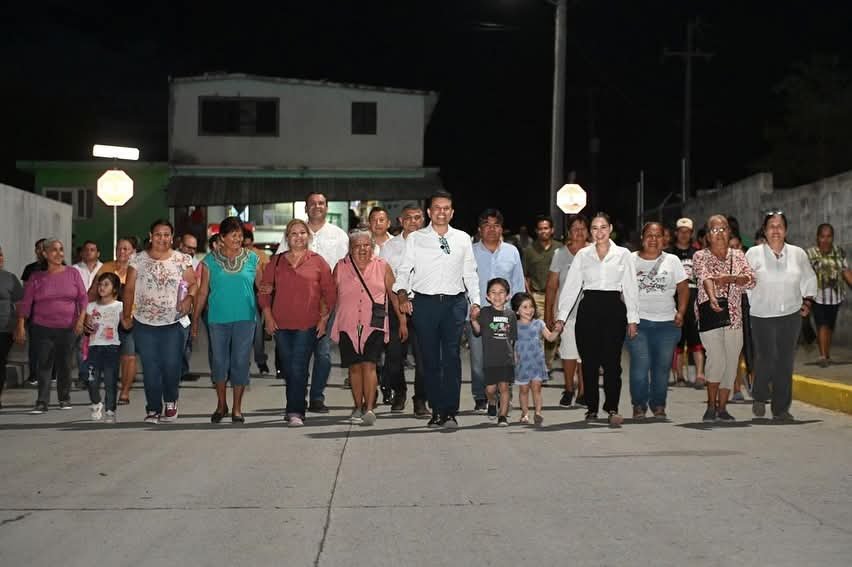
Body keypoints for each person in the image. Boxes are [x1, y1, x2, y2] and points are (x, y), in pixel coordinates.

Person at [394, 190, 480, 428]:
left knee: (451, 357)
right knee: (429, 359)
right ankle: (437, 410)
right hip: (425, 304)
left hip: (454, 304)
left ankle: (450, 411)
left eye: (446, 208)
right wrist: (402, 294)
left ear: (452, 213)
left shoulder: (462, 238)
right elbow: (404, 271)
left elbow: (470, 273)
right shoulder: (416, 238)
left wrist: (475, 302)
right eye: (437, 208)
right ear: (429, 212)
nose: (441, 212)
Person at [554, 212, 639, 427]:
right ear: (590, 231)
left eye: (603, 227)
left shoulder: (623, 254)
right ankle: (591, 408)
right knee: (589, 362)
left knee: (612, 363)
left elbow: (630, 287)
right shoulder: (583, 255)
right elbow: (572, 286)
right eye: (594, 228)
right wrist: (561, 317)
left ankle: (612, 407)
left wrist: (632, 319)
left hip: (613, 309)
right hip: (589, 309)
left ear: (610, 229)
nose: (599, 232)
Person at [261, 219, 337, 427]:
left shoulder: (318, 262)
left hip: (307, 323)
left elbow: (330, 293)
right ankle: (297, 402)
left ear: (308, 236)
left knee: (298, 366)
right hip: (281, 325)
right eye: (293, 233)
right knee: (289, 368)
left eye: (302, 233)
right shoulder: (276, 261)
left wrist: (324, 319)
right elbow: (264, 291)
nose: (298, 237)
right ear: (287, 238)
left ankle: (295, 411)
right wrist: (268, 317)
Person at [276, 192, 348, 413]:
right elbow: (279, 264)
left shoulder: (339, 235)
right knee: (297, 354)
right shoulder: (295, 231)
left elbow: (346, 268)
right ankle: (298, 396)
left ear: (327, 207)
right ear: (306, 208)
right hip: (298, 303)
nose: (317, 206)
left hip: (327, 302)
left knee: (323, 353)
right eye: (313, 203)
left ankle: (317, 396)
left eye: (321, 203)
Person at [122, 219, 197, 424]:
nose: (162, 238)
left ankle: (171, 400)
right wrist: (126, 315)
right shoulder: (137, 259)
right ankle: (153, 408)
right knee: (150, 367)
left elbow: (193, 284)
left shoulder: (181, 259)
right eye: (158, 234)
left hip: (173, 322)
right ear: (150, 236)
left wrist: (189, 298)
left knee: (172, 364)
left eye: (166, 235)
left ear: (172, 238)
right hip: (144, 322)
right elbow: (129, 289)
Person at [746, 212, 817, 421]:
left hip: (790, 315)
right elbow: (745, 281)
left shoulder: (798, 254)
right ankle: (760, 395)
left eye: (780, 226)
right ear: (764, 231)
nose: (775, 230)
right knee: (767, 358)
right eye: (771, 226)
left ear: (786, 230)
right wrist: (752, 302)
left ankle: (781, 409)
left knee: (785, 361)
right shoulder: (753, 253)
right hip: (762, 315)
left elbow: (809, 278)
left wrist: (807, 302)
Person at [332, 229, 406, 425]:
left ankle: (370, 408)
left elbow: (394, 296)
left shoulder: (382, 266)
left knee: (370, 364)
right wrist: (322, 319)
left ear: (372, 247)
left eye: (366, 245)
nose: (362, 249)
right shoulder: (340, 267)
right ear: (350, 248)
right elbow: (330, 296)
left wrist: (402, 321)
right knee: (355, 367)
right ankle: (358, 406)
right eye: (357, 246)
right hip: (348, 324)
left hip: (374, 324)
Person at [194, 217, 262, 424]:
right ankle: (221, 404)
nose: (238, 239)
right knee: (219, 361)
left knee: (240, 361)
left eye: (240, 235)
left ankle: (237, 408)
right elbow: (203, 291)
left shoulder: (252, 259)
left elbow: (263, 288)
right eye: (233, 235)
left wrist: (270, 311)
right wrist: (195, 319)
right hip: (218, 319)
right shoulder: (209, 261)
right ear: (222, 238)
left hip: (245, 318)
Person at [693, 214, 755, 422]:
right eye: (714, 230)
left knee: (731, 362)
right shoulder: (700, 256)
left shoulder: (738, 255)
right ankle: (710, 405)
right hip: (710, 314)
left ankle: (722, 408)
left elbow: (752, 279)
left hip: (735, 317)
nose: (719, 233)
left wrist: (731, 278)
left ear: (729, 232)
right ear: (707, 236)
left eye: (723, 229)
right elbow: (705, 277)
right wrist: (712, 297)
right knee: (717, 359)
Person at [14, 238, 88, 414]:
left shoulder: (73, 273)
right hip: (42, 327)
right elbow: (26, 303)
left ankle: (64, 398)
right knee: (44, 365)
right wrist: (21, 325)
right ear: (45, 254)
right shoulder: (36, 277)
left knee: (64, 364)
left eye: (61, 249)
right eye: (54, 250)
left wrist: (81, 319)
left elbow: (83, 298)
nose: (59, 253)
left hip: (68, 327)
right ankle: (42, 401)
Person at [626, 223, 689, 419]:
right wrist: (629, 316)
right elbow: (622, 290)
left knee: (662, 367)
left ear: (665, 239)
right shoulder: (630, 260)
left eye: (658, 236)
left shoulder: (672, 260)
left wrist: (681, 312)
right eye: (649, 235)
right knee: (640, 364)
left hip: (667, 324)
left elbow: (683, 288)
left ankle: (658, 404)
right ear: (642, 238)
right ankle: (639, 404)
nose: (653, 239)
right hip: (639, 322)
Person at [467, 208, 525, 413]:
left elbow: (518, 283)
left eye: (496, 225)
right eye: (487, 225)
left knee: (505, 358)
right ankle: (480, 396)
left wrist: (520, 312)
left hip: (505, 315)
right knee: (478, 359)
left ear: (502, 229)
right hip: (478, 314)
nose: (491, 229)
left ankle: (504, 396)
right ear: (479, 229)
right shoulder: (470, 251)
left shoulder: (512, 251)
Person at [381, 204, 428, 417]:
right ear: (400, 220)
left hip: (423, 305)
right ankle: (399, 392)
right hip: (395, 305)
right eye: (408, 218)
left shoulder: (431, 245)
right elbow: (388, 281)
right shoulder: (389, 247)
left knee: (423, 357)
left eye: (417, 217)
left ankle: (421, 399)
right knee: (393, 357)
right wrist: (400, 316)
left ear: (423, 220)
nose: (413, 222)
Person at [545, 214, 589, 407]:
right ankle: (569, 388)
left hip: (590, 313)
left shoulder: (594, 252)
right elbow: (552, 286)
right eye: (575, 229)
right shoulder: (560, 254)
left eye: (582, 228)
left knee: (585, 355)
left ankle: (583, 392)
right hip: (567, 314)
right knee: (569, 353)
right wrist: (549, 314)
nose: (579, 232)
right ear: (569, 232)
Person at [90, 237, 137, 405]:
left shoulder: (137, 269)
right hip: (107, 320)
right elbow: (93, 291)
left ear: (133, 252)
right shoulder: (106, 267)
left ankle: (125, 391)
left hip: (130, 318)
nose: (121, 252)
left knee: (129, 356)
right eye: (119, 248)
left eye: (126, 248)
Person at [470, 278, 517, 426]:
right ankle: (491, 401)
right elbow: (478, 331)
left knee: (504, 388)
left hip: (506, 359)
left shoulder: (511, 315)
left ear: (508, 296)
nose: (497, 296)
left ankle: (502, 416)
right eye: (493, 292)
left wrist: (515, 356)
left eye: (501, 292)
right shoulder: (484, 313)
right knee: (490, 389)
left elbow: (513, 339)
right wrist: (473, 320)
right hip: (490, 359)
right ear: (487, 296)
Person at [666, 217, 707, 389]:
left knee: (696, 339)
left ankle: (699, 375)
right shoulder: (669, 254)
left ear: (691, 234)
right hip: (675, 299)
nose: (684, 235)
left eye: (687, 232)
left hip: (694, 299)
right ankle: (680, 376)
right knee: (677, 340)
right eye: (681, 231)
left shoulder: (697, 254)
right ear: (676, 233)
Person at [806, 223, 852, 367]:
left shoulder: (839, 252)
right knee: (822, 324)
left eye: (829, 237)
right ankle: (823, 356)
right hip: (817, 297)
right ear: (817, 238)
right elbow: (804, 275)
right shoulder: (810, 254)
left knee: (830, 326)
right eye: (822, 237)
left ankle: (826, 354)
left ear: (833, 237)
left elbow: (846, 271)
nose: (825, 240)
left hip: (835, 297)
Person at [512, 291, 559, 425]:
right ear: (517, 311)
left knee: (537, 389)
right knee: (524, 390)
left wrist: (556, 330)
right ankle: (525, 413)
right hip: (522, 364)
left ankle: (538, 413)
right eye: (525, 307)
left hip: (537, 363)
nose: (530, 310)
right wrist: (513, 359)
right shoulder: (514, 326)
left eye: (531, 306)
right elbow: (511, 344)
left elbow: (550, 337)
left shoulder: (539, 324)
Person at [83, 272, 123, 422]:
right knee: (91, 379)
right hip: (94, 348)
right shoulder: (91, 306)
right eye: (100, 284)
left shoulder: (119, 306)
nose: (102, 287)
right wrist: (87, 328)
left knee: (110, 381)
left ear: (114, 289)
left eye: (106, 284)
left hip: (112, 348)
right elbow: (87, 327)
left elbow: (126, 324)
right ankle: (96, 402)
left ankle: (110, 410)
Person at [522, 215, 558, 369]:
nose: (544, 231)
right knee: (538, 332)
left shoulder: (560, 249)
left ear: (552, 230)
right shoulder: (529, 250)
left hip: (556, 296)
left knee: (554, 330)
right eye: (541, 229)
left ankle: (547, 364)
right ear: (536, 231)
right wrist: (529, 297)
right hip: (537, 295)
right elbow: (526, 276)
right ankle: (539, 365)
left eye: (546, 228)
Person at [243, 228, 271, 375]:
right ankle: (242, 363)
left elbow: (263, 279)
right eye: (244, 245)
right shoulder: (234, 256)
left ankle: (261, 361)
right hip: (239, 297)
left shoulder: (258, 256)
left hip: (254, 296)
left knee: (257, 332)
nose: (246, 248)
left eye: (249, 245)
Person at [0, 244, 24, 409]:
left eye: (1, 254)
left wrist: (19, 326)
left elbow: (20, 304)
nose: (0, 258)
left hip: (4, 329)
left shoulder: (10, 278)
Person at [21, 238, 47, 386]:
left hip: (54, 314)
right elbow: (26, 293)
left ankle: (52, 374)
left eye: (43, 247)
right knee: (35, 345)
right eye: (38, 248)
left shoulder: (59, 267)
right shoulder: (30, 269)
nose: (41, 251)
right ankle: (33, 375)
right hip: (34, 313)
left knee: (53, 345)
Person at [176, 233, 202, 383]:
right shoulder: (172, 259)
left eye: (194, 248)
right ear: (180, 245)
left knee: (187, 341)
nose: (191, 251)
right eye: (188, 247)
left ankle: (183, 371)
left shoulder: (197, 263)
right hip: (174, 308)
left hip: (191, 308)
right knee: (176, 342)